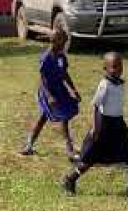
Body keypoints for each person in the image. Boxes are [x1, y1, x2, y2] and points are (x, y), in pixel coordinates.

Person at [61, 52, 128, 196]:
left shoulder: (120, 83)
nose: (118, 69)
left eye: (120, 66)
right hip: (104, 125)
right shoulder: (105, 85)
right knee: (91, 157)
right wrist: (95, 127)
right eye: (114, 67)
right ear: (105, 68)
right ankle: (70, 179)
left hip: (118, 123)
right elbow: (95, 105)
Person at [20, 27, 82, 161]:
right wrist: (48, 96)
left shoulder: (61, 56)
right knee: (57, 118)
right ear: (55, 41)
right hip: (48, 92)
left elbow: (65, 74)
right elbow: (42, 79)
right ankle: (69, 150)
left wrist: (73, 89)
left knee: (48, 118)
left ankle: (29, 144)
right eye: (63, 41)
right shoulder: (46, 58)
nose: (65, 44)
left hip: (60, 91)